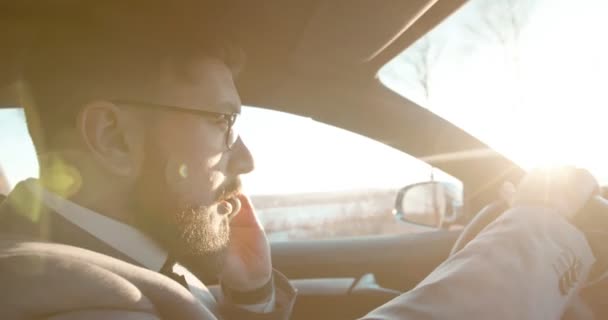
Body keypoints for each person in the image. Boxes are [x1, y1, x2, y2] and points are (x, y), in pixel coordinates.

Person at [0, 6, 604, 320]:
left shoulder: (117, 259)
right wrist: (540, 232)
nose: (247, 158)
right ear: (113, 137)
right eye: (222, 122)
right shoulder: (65, 294)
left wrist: (251, 298)